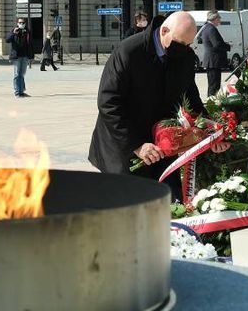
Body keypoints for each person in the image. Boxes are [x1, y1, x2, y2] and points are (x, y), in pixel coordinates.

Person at [89, 11, 225, 199]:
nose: (184, 48)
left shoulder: (184, 56)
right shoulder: (129, 51)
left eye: (188, 44)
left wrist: (211, 133)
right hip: (124, 145)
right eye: (180, 43)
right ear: (164, 31)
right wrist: (136, 145)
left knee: (171, 201)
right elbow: (109, 103)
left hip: (163, 142)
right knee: (130, 208)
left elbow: (191, 98)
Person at [200, 10, 230, 95]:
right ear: (214, 18)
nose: (220, 20)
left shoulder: (206, 27)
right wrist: (228, 46)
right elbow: (217, 44)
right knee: (214, 86)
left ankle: (211, 102)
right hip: (213, 61)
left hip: (212, 61)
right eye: (219, 18)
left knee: (212, 85)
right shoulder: (211, 28)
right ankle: (212, 104)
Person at [7, 18, 34, 97]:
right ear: (17, 23)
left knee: (22, 74)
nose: (21, 24)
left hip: (25, 56)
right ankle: (17, 92)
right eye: (20, 22)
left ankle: (21, 91)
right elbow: (7, 40)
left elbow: (30, 45)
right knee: (17, 74)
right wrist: (14, 33)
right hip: (17, 56)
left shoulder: (28, 32)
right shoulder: (14, 31)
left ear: (25, 23)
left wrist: (31, 57)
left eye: (23, 22)